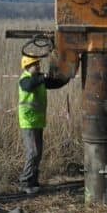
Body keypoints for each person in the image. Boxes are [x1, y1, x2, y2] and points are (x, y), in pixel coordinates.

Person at [18, 55, 65, 193]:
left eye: (38, 64)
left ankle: (33, 182)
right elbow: (29, 86)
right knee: (32, 152)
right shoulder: (25, 79)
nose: (38, 66)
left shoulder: (38, 79)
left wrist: (66, 77)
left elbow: (55, 84)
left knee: (38, 153)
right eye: (35, 64)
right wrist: (43, 77)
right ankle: (25, 182)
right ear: (27, 67)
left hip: (37, 121)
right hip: (28, 122)